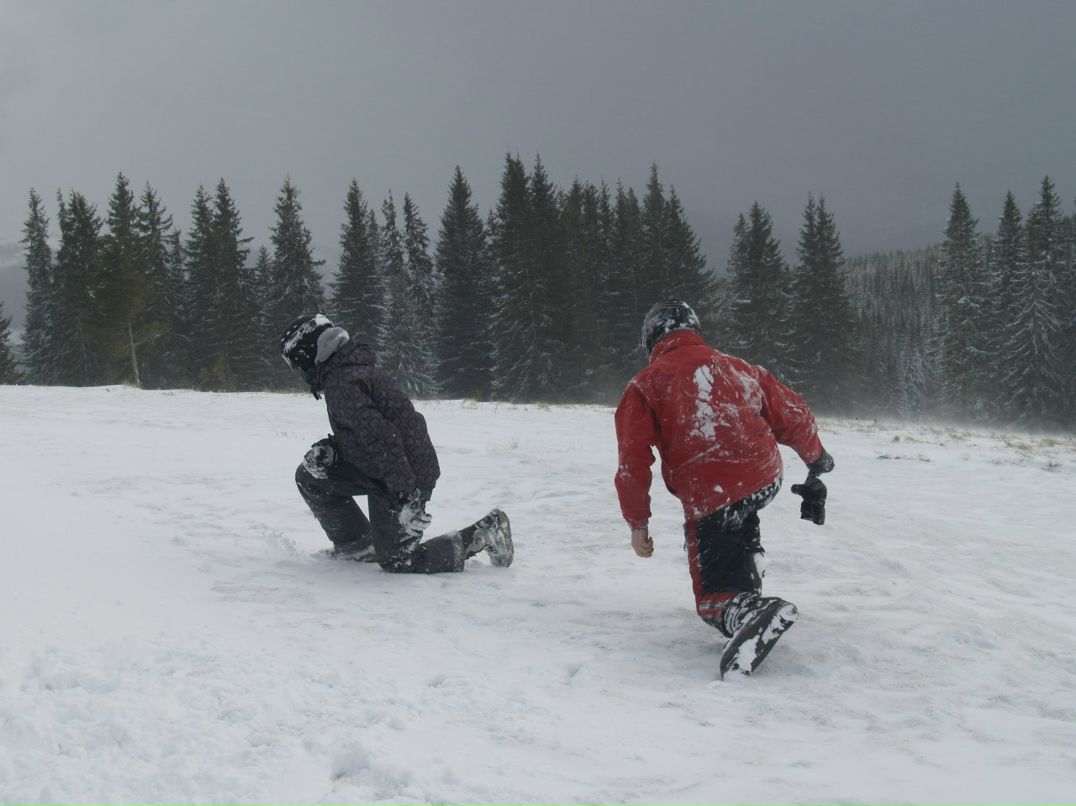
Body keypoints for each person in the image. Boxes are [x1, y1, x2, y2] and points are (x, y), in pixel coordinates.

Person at [614, 299, 834, 677]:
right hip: (765, 477)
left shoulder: (644, 385)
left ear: (651, 340)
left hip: (711, 492)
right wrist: (817, 460)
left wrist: (638, 523)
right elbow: (793, 414)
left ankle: (747, 609)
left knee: (711, 598)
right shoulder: (739, 368)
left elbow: (633, 461)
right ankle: (750, 569)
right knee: (740, 515)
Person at [281, 314, 513, 573]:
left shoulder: (342, 384)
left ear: (310, 351)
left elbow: (384, 441)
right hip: (383, 468)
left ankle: (486, 532)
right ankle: (357, 546)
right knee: (311, 476)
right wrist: (333, 452)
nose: (297, 370)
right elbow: (365, 433)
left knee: (400, 561)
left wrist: (406, 496)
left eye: (294, 361)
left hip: (404, 475)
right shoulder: (346, 371)